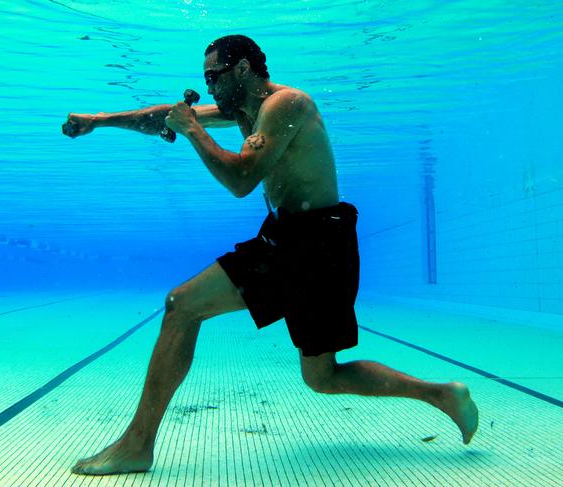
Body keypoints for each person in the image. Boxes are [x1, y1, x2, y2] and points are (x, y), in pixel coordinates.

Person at [64, 35, 478, 476]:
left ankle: (136, 445)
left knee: (181, 305)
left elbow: (241, 179)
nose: (208, 88)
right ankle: (443, 395)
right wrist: (101, 120)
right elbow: (160, 117)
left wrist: (191, 129)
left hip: (314, 242)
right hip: (308, 240)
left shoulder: (286, 105)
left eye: (213, 78)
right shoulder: (245, 109)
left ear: (241, 69)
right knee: (323, 376)